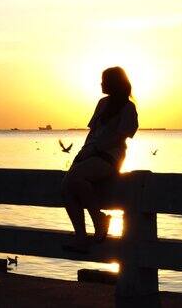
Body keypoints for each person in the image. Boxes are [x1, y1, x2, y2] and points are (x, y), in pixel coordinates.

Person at [61, 66, 138, 253]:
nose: (101, 83)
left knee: (76, 179)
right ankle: (81, 236)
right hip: (90, 154)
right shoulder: (102, 104)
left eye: (104, 80)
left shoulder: (128, 107)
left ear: (113, 83)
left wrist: (95, 149)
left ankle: (99, 220)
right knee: (66, 187)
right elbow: (92, 133)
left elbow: (120, 137)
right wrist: (81, 153)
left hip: (110, 157)